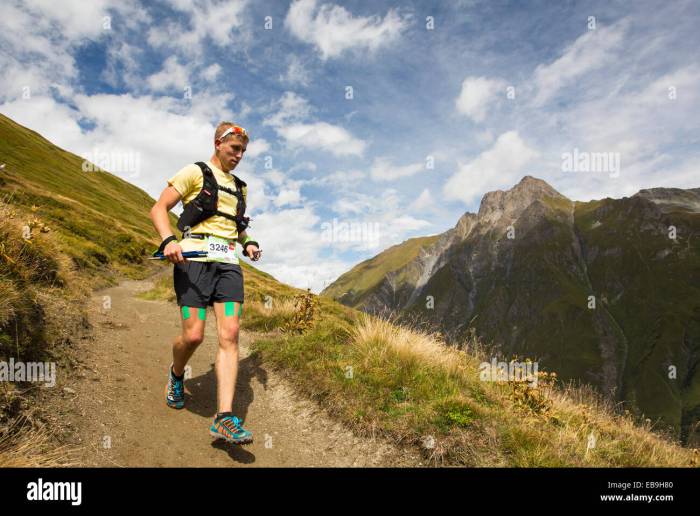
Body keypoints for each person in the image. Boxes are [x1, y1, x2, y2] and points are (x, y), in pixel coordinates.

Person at [149, 122, 261, 445]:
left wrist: (248, 242)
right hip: (192, 261)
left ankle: (224, 418)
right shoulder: (195, 172)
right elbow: (159, 208)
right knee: (194, 335)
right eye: (234, 148)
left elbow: (235, 225)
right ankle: (176, 374)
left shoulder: (241, 188)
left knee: (230, 333)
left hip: (228, 265)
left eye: (243, 151)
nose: (239, 155)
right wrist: (168, 239)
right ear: (217, 143)